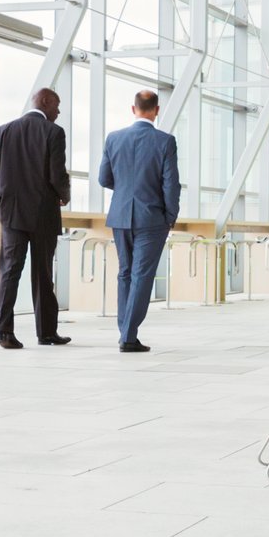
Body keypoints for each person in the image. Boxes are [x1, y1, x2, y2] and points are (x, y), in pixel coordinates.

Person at [0, 87, 71, 350]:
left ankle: (4, 332)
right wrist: (65, 195)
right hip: (43, 213)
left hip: (11, 214)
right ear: (44, 101)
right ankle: (46, 333)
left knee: (9, 272)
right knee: (43, 273)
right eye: (56, 105)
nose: (58, 111)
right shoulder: (54, 132)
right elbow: (56, 173)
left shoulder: (3, 131)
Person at [98, 89, 179, 353]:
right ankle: (128, 336)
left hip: (120, 216)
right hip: (152, 218)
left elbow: (104, 179)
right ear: (157, 110)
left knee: (125, 273)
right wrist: (170, 216)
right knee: (142, 275)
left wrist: (126, 191)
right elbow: (171, 184)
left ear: (133, 109)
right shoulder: (165, 141)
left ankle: (125, 331)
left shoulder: (114, 138)